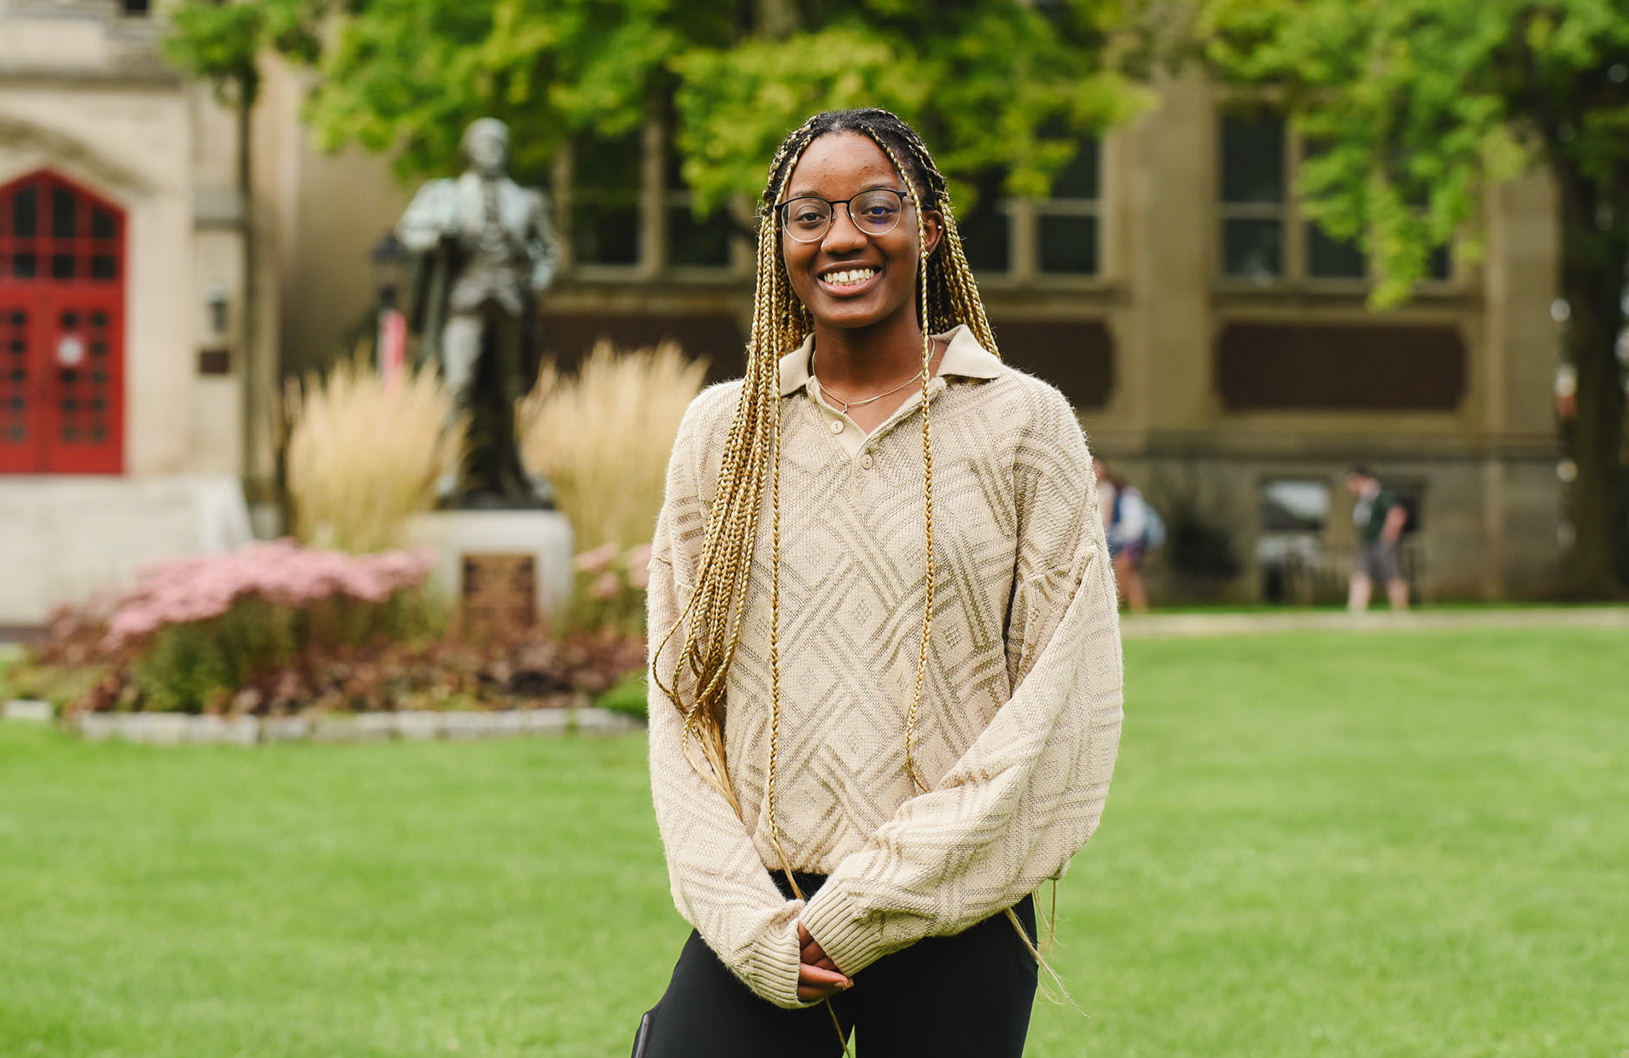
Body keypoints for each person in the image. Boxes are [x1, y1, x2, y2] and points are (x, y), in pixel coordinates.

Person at [638, 109, 1124, 1058]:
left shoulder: (1024, 427)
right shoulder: (724, 434)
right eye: (809, 215)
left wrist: (870, 903)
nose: (842, 238)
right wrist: (743, 917)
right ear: (779, 242)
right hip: (768, 916)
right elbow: (682, 705)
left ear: (929, 228)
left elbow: (1058, 705)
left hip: (957, 905)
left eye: (874, 207)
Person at [395, 117, 559, 505]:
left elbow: (549, 251)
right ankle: (449, 469)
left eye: (498, 145)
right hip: (465, 303)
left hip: (510, 304)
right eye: (484, 145)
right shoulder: (447, 195)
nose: (492, 152)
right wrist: (437, 236)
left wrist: (539, 279)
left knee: (507, 390)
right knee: (458, 385)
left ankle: (508, 474)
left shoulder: (526, 201)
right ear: (469, 151)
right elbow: (410, 231)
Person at [1346, 466, 1409, 612]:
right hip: (1367, 543)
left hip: (1382, 543)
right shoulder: (1364, 499)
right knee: (1360, 574)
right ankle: (1356, 610)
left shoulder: (1381, 495)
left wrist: (1388, 536)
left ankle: (1400, 609)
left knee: (1392, 576)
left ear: (1360, 480)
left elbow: (1397, 513)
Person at [1094, 460, 1153, 611]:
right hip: (1123, 540)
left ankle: (1111, 610)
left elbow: (1130, 523)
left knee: (1120, 576)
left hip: (1126, 541)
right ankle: (1139, 611)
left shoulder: (1117, 491)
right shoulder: (1109, 490)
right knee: (1131, 577)